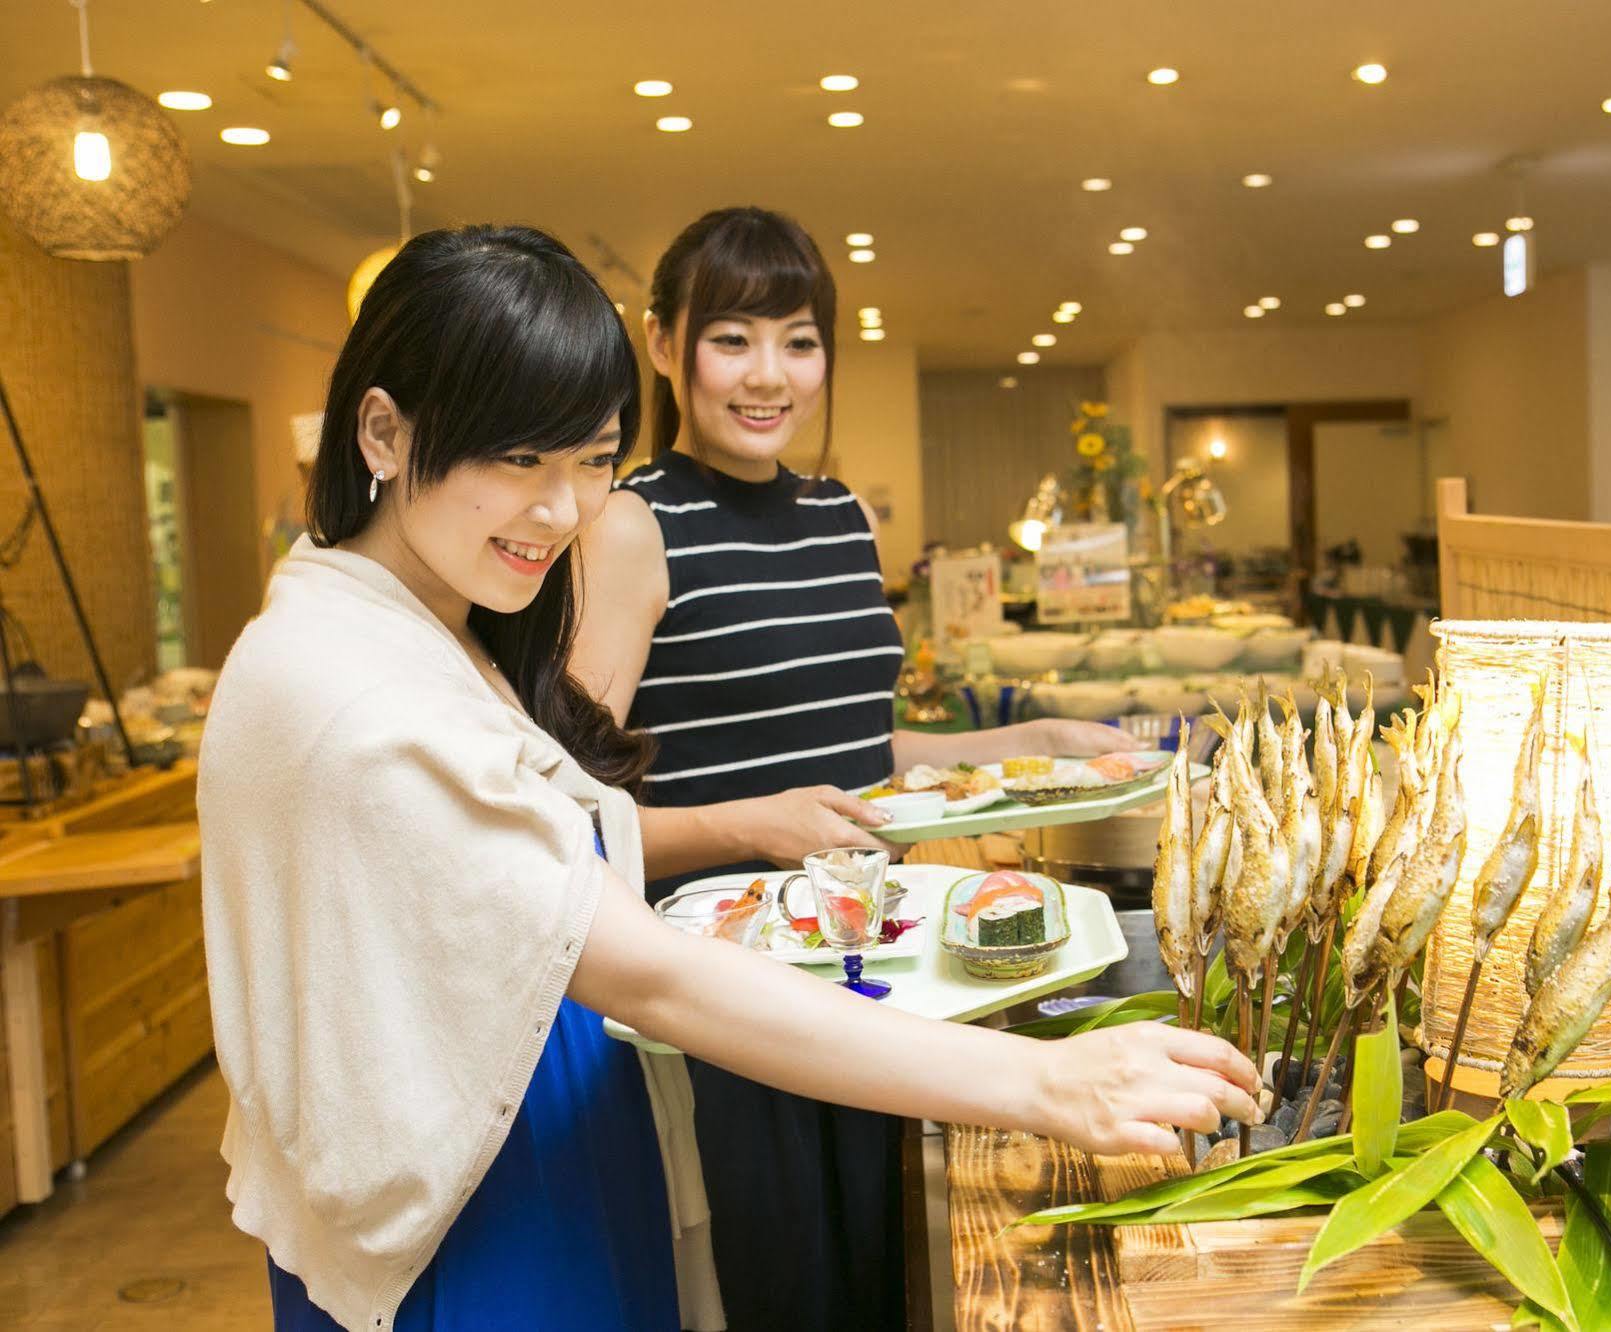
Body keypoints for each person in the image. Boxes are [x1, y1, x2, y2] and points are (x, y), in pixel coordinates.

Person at [199, 224, 1259, 1332]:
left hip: (543, 1108)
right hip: (478, 1175)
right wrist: (1050, 1083)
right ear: (382, 430)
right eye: (519, 458)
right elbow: (644, 971)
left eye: (590, 459)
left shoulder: (425, 621)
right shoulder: (361, 692)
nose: (562, 512)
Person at [568, 206, 1135, 1330]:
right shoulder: (632, 525)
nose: (768, 375)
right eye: (731, 339)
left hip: (879, 961)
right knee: (782, 1291)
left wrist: (1030, 746)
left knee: (889, 1274)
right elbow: (571, 816)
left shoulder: (839, 519)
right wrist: (751, 826)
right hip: (726, 985)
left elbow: (855, 753)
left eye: (799, 339)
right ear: (665, 345)